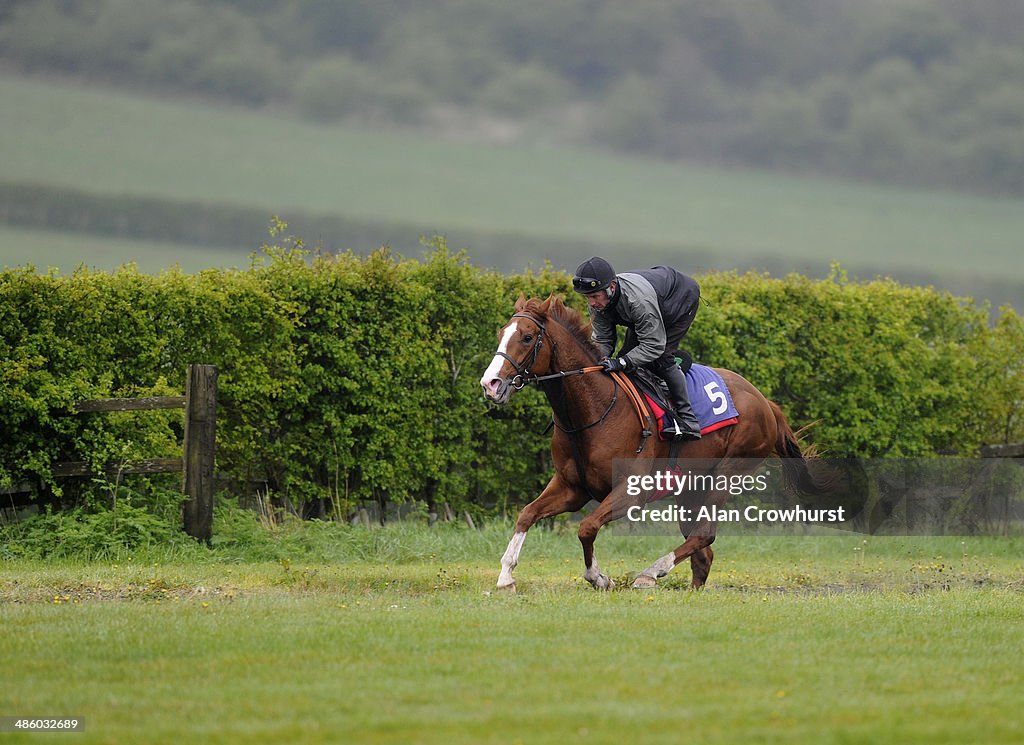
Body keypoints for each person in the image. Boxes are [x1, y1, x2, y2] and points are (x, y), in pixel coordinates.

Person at [572, 256, 702, 440]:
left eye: (594, 296)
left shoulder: (639, 302)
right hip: (653, 300)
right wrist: (598, 361)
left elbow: (653, 345)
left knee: (661, 356)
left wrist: (622, 361)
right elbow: (603, 339)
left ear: (611, 288)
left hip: (680, 299)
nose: (591, 303)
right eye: (587, 297)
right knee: (625, 358)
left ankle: (688, 420)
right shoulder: (599, 303)